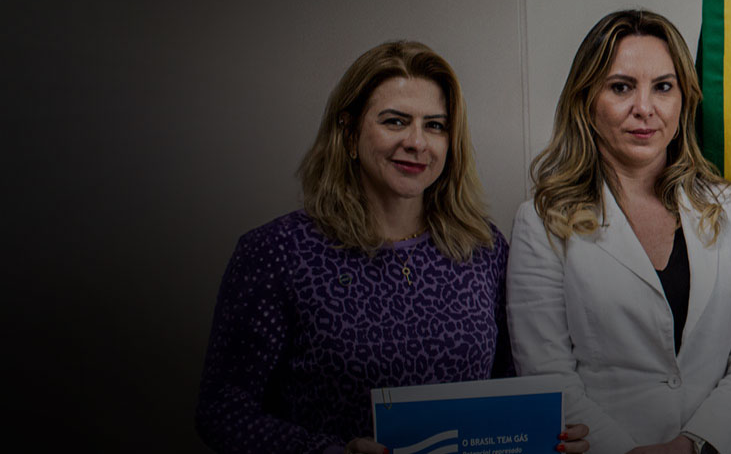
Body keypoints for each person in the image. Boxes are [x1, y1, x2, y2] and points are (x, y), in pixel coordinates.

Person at [196, 41, 590, 454]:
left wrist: (553, 435)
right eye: (395, 121)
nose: (417, 142)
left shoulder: (483, 249)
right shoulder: (277, 252)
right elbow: (223, 410)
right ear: (348, 132)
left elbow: (512, 387)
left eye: (435, 125)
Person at [507, 9, 731, 454]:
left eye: (663, 87)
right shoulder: (542, 221)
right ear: (586, 100)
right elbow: (546, 372)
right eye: (620, 87)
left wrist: (693, 445)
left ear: (684, 99)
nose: (645, 109)